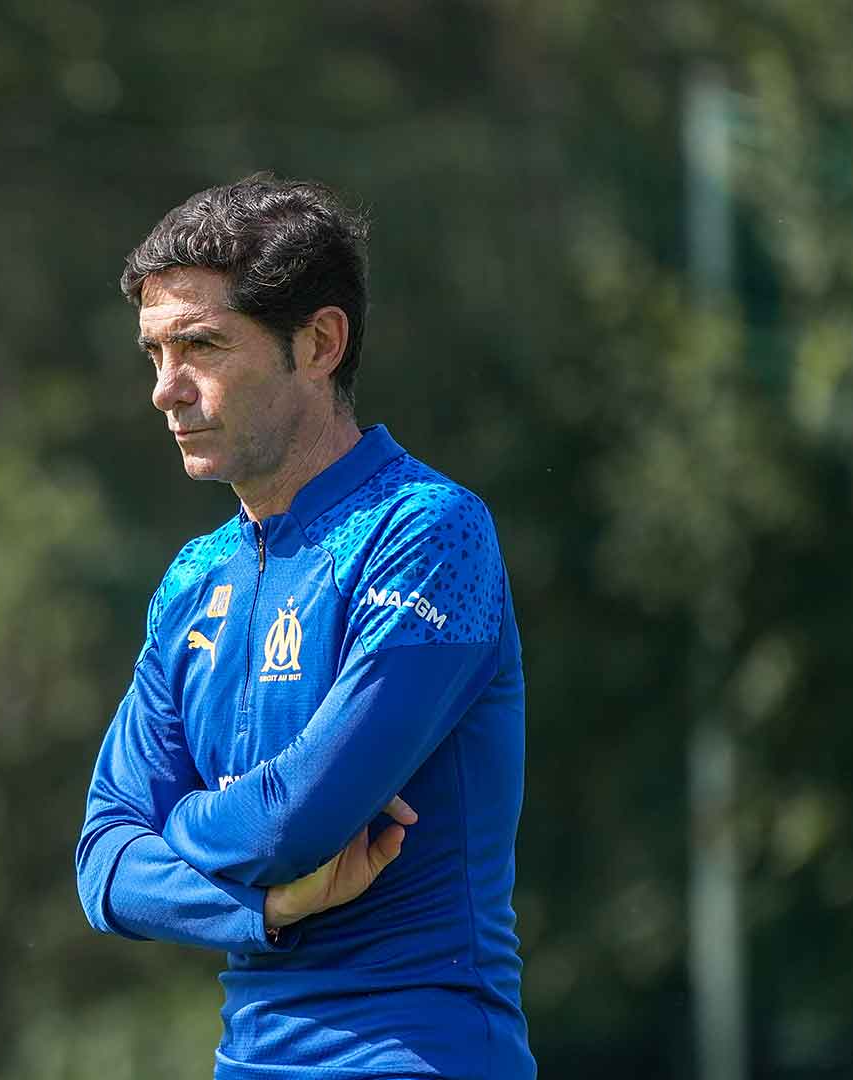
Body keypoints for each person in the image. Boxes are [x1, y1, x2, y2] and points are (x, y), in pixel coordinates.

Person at [74, 174, 534, 1080]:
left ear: (319, 343)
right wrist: (265, 912)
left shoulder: (429, 531)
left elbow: (299, 824)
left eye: (201, 345)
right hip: (246, 1058)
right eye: (154, 353)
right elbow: (101, 862)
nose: (167, 390)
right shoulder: (193, 577)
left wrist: (181, 823)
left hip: (416, 1050)